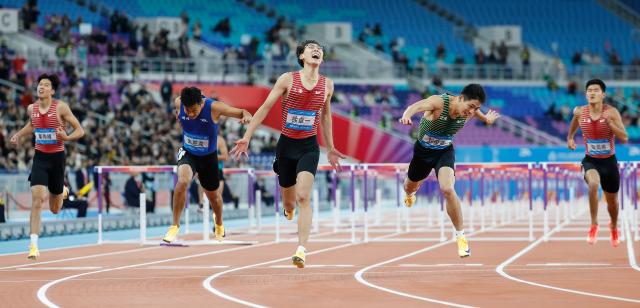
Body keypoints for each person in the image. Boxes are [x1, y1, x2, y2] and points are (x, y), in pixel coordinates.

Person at [231, 40, 345, 268]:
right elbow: (264, 107)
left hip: (309, 147)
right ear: (302, 56)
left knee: (304, 196)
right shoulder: (287, 79)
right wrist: (247, 136)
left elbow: (325, 117)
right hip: (286, 146)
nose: (316, 50)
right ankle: (288, 208)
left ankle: (301, 249)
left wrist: (330, 147)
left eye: (319, 49)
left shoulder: (328, 85)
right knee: (290, 203)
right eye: (311, 48)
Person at [398, 84, 499, 258]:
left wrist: (487, 120)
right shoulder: (439, 103)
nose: (471, 112)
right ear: (460, 98)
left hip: (444, 152)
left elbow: (477, 112)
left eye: (475, 108)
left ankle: (461, 237)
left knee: (448, 189)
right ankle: (410, 194)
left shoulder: (470, 110)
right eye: (470, 107)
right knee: (409, 186)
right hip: (423, 153)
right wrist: (406, 116)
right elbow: (416, 107)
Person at [162, 87, 251, 243]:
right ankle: (174, 225)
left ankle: (219, 224)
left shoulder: (214, 107)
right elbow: (181, 113)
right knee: (182, 181)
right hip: (188, 152)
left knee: (214, 198)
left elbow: (242, 112)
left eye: (194, 110)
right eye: (187, 110)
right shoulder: (178, 103)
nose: (190, 113)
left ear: (201, 103)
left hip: (208, 157)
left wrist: (247, 117)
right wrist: (181, 116)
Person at [10, 73, 85, 259]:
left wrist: (66, 137)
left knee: (55, 208)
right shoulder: (31, 108)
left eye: (45, 85)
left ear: (52, 90)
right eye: (39, 84)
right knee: (36, 198)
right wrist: (18, 135)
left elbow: (80, 130)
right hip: (40, 158)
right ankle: (33, 245)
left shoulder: (61, 107)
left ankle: (63, 191)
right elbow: (32, 126)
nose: (41, 87)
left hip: (57, 159)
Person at [567, 79, 628, 247]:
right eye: (589, 90)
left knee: (612, 204)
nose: (592, 93)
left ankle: (614, 226)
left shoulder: (612, 112)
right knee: (593, 184)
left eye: (595, 90)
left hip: (609, 162)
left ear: (603, 94)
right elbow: (574, 123)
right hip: (590, 160)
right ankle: (594, 225)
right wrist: (570, 138)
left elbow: (624, 136)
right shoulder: (580, 112)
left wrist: (611, 124)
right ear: (586, 94)